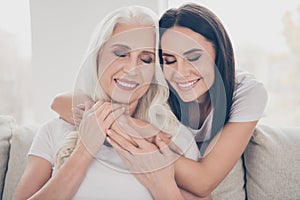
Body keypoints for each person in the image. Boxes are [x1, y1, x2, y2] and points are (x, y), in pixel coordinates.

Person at [13, 5, 199, 200]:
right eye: (120, 53)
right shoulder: (54, 131)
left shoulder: (175, 139)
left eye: (145, 59)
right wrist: (84, 151)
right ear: (98, 57)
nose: (131, 68)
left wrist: (162, 185)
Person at [105, 3, 268, 199]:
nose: (180, 73)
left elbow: (202, 183)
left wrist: (142, 138)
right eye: (170, 60)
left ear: (219, 53)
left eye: (193, 57)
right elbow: (63, 102)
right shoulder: (155, 83)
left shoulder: (246, 91)